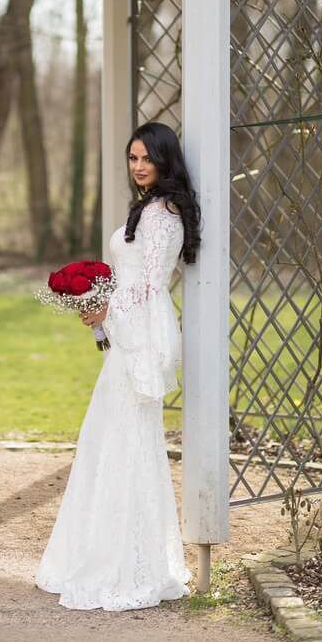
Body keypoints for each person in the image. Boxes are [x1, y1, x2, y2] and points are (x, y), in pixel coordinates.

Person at [35, 121, 201, 611]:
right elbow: (133, 283)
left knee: (128, 443)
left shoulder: (165, 214)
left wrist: (110, 311)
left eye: (147, 158)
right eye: (132, 158)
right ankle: (105, 551)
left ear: (165, 160)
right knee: (109, 440)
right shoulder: (147, 208)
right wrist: (99, 310)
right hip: (126, 330)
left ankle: (131, 565)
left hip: (140, 335)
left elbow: (151, 287)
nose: (139, 166)